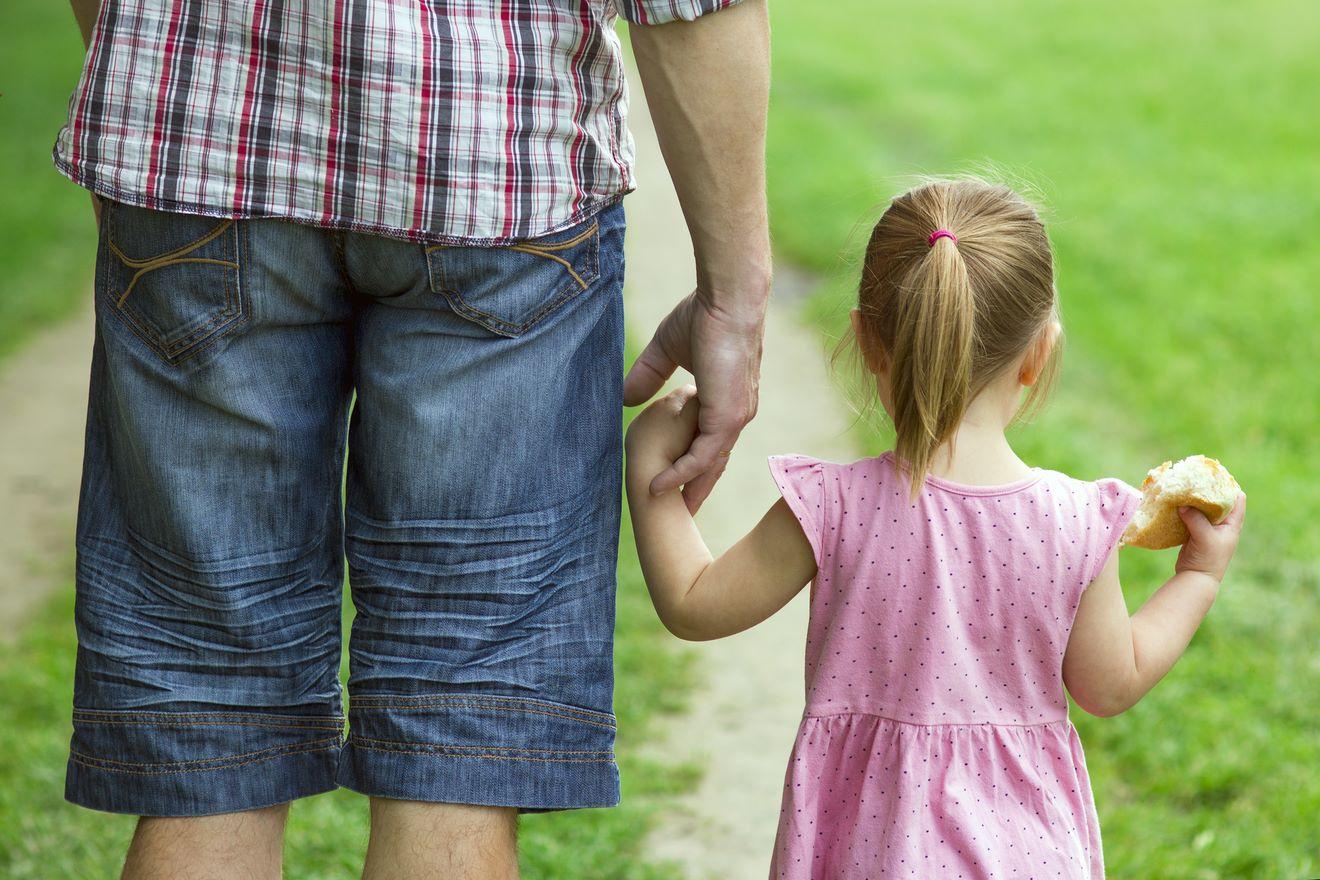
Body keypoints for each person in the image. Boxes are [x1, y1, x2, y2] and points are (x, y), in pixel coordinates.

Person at [52, 0, 770, 876]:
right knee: (462, 714)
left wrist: (144, 113)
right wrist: (734, 298)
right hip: (497, 167)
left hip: (199, 144)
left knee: (207, 703)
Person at [624, 178, 1246, 878]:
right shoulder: (1075, 521)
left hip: (872, 851)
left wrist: (650, 467)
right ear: (1039, 355)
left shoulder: (836, 506)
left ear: (868, 341)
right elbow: (1109, 684)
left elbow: (695, 603)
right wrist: (1198, 576)